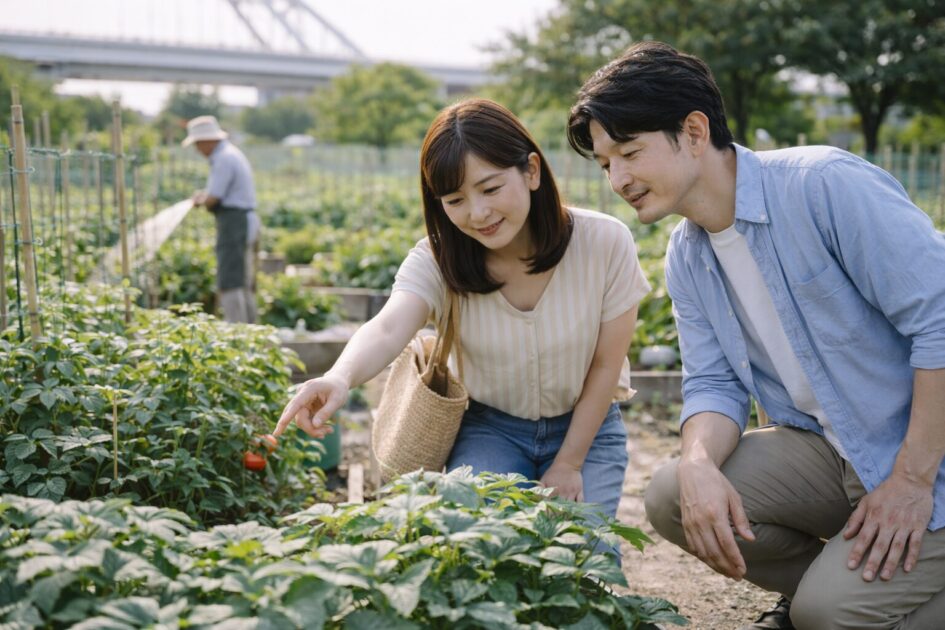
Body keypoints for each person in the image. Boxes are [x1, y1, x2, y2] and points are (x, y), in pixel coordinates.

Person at [566, 41, 945, 629]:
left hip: (928, 454)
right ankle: (853, 589)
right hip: (833, 449)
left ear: (694, 131)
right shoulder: (687, 255)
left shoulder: (824, 186)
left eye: (629, 152)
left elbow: (940, 322)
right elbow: (714, 383)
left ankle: (846, 598)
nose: (617, 178)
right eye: (604, 163)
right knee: (673, 494)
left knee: (824, 614)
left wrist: (912, 480)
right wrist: (697, 462)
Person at [275, 98, 650, 522]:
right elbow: (386, 328)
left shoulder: (604, 242)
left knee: (586, 561)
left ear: (531, 170)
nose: (478, 213)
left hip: (589, 429)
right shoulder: (438, 260)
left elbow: (606, 365)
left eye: (490, 189)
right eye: (454, 200)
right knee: (480, 550)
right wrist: (338, 377)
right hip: (491, 430)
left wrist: (569, 463)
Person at [184, 115, 261, 324]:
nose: (198, 149)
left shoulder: (223, 158)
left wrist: (200, 201)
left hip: (235, 223)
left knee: (231, 280)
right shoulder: (231, 154)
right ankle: (250, 332)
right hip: (243, 220)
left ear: (208, 140)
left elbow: (214, 198)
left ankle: (236, 332)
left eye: (198, 144)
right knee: (243, 281)